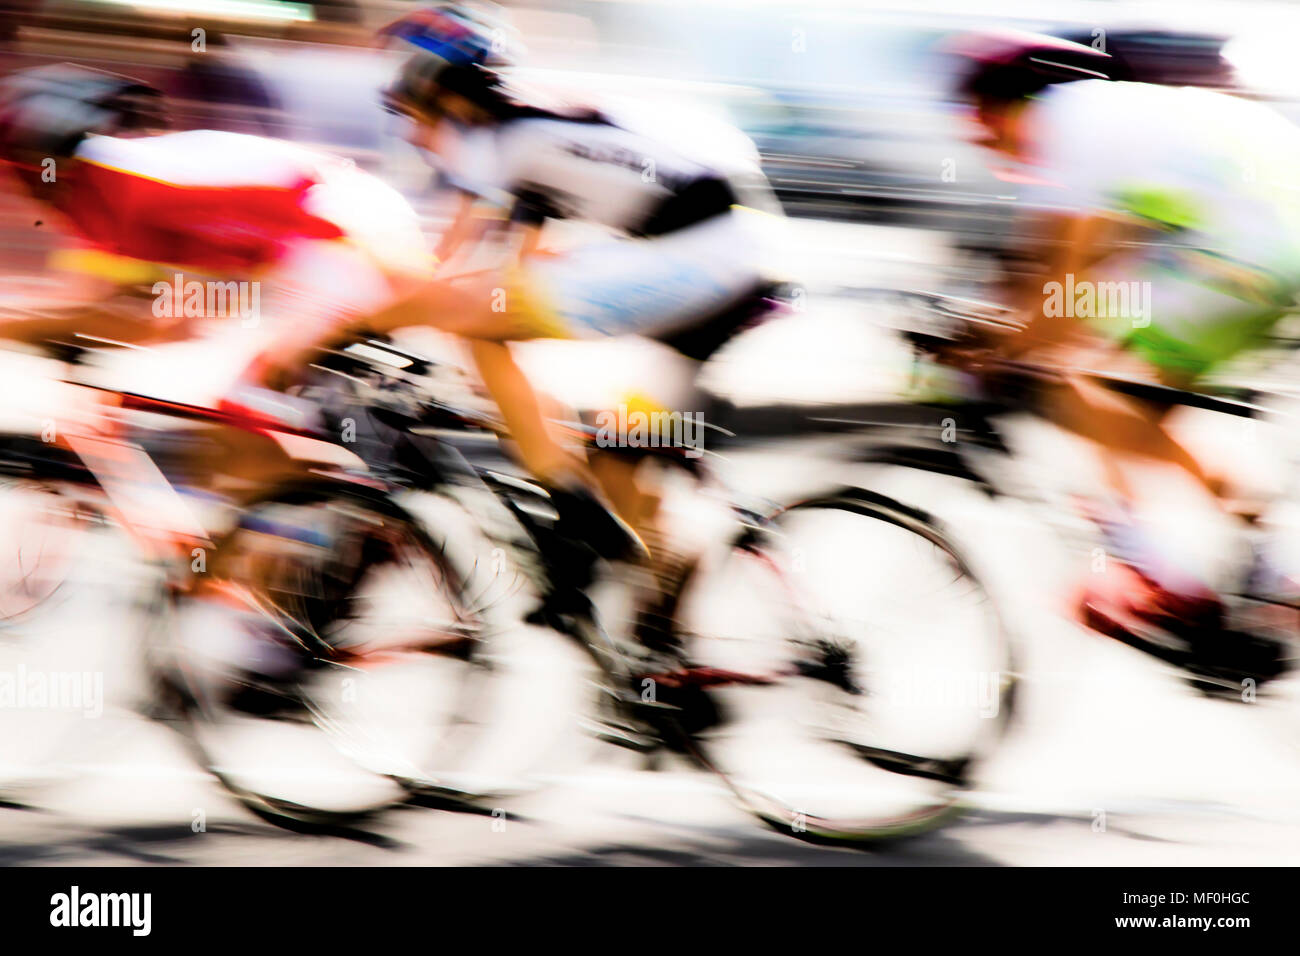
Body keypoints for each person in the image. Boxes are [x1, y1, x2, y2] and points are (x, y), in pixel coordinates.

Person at [254, 6, 785, 653]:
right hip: (737, 264)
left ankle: (563, 501)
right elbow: (514, 268)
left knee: (476, 328)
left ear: (438, 92)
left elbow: (442, 285)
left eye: (409, 112)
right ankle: (663, 650)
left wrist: (320, 341)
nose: (409, 131)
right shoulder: (539, 133)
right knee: (618, 461)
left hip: (696, 261)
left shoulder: (496, 142)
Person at [947, 30, 1300, 630]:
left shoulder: (1062, 127)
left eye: (978, 123)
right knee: (1133, 406)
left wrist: (987, 349)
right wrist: (1015, 328)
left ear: (1003, 105)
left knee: (1081, 383)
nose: (981, 141)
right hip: (1259, 243)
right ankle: (1257, 559)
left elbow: (1057, 281)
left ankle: (1177, 576)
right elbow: (1086, 274)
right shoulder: (1111, 117)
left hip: (1249, 249)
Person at [0, 61, 432, 494]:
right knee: (217, 459)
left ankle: (358, 514)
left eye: (21, 171)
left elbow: (147, 318)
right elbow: (159, 315)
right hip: (325, 243)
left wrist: (25, 325)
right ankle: (297, 523)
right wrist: (50, 329)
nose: (21, 189)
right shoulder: (102, 192)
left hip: (345, 241)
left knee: (245, 416)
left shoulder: (121, 186)